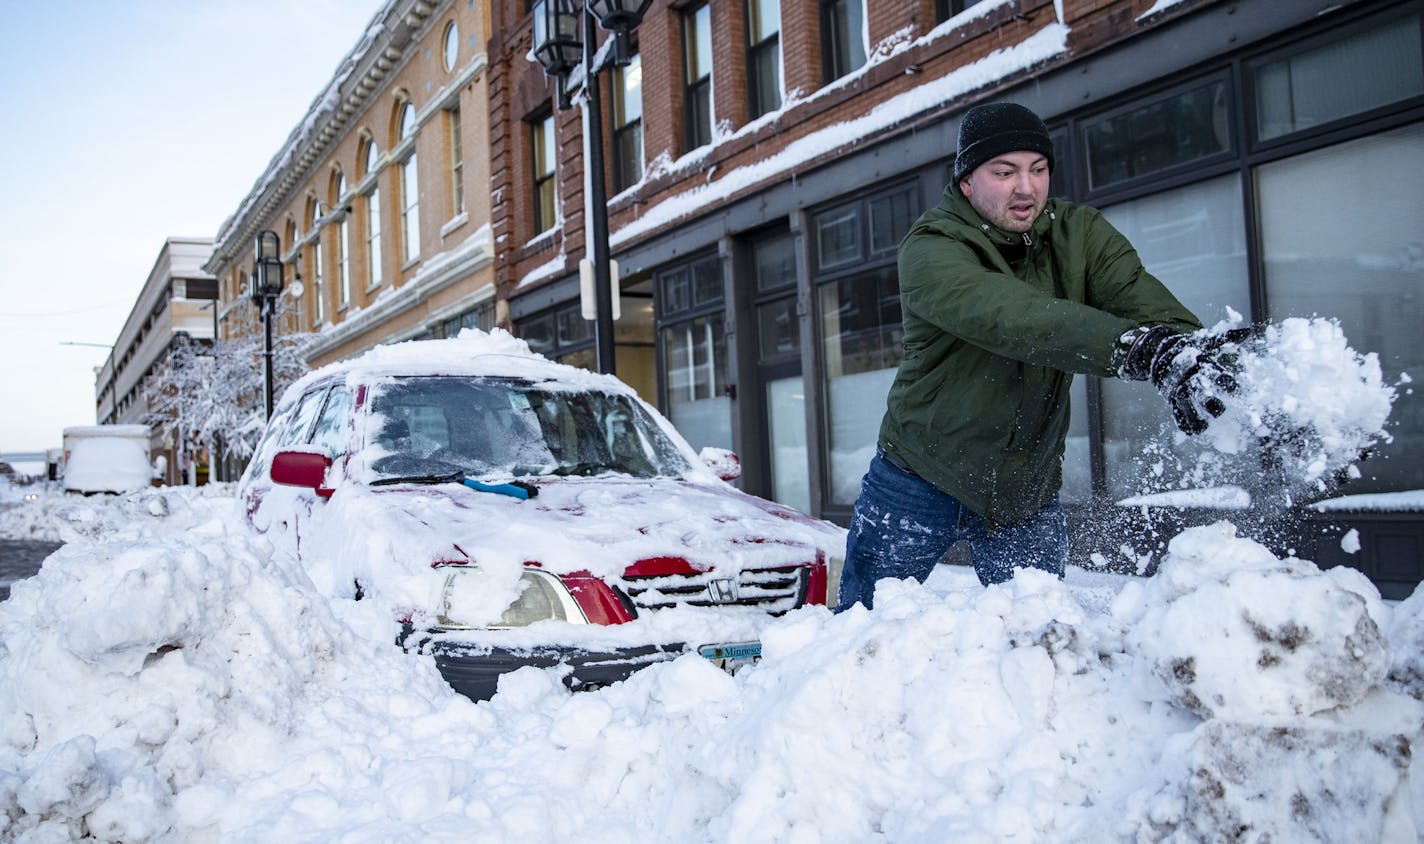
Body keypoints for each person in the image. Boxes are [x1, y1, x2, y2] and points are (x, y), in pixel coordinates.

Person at [836, 101, 1242, 610]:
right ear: (966, 181)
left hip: (1025, 489)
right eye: (1003, 172)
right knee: (860, 632)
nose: (1026, 188)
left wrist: (1191, 356)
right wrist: (1134, 351)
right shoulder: (930, 248)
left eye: (1039, 169)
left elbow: (1143, 301)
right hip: (919, 476)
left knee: (1038, 640)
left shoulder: (1080, 234)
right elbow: (1011, 317)